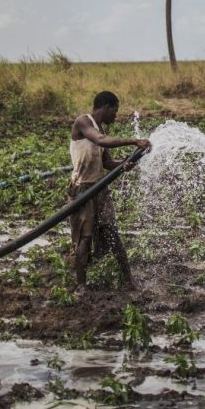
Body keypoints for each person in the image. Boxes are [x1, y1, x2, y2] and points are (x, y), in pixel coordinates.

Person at [68, 91, 150, 291]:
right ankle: (81, 286)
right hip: (82, 189)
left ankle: (128, 280)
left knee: (112, 233)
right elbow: (100, 140)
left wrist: (124, 164)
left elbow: (106, 162)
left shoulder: (101, 128)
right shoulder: (83, 122)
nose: (116, 115)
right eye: (115, 110)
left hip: (100, 188)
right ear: (105, 107)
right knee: (85, 238)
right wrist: (133, 141)